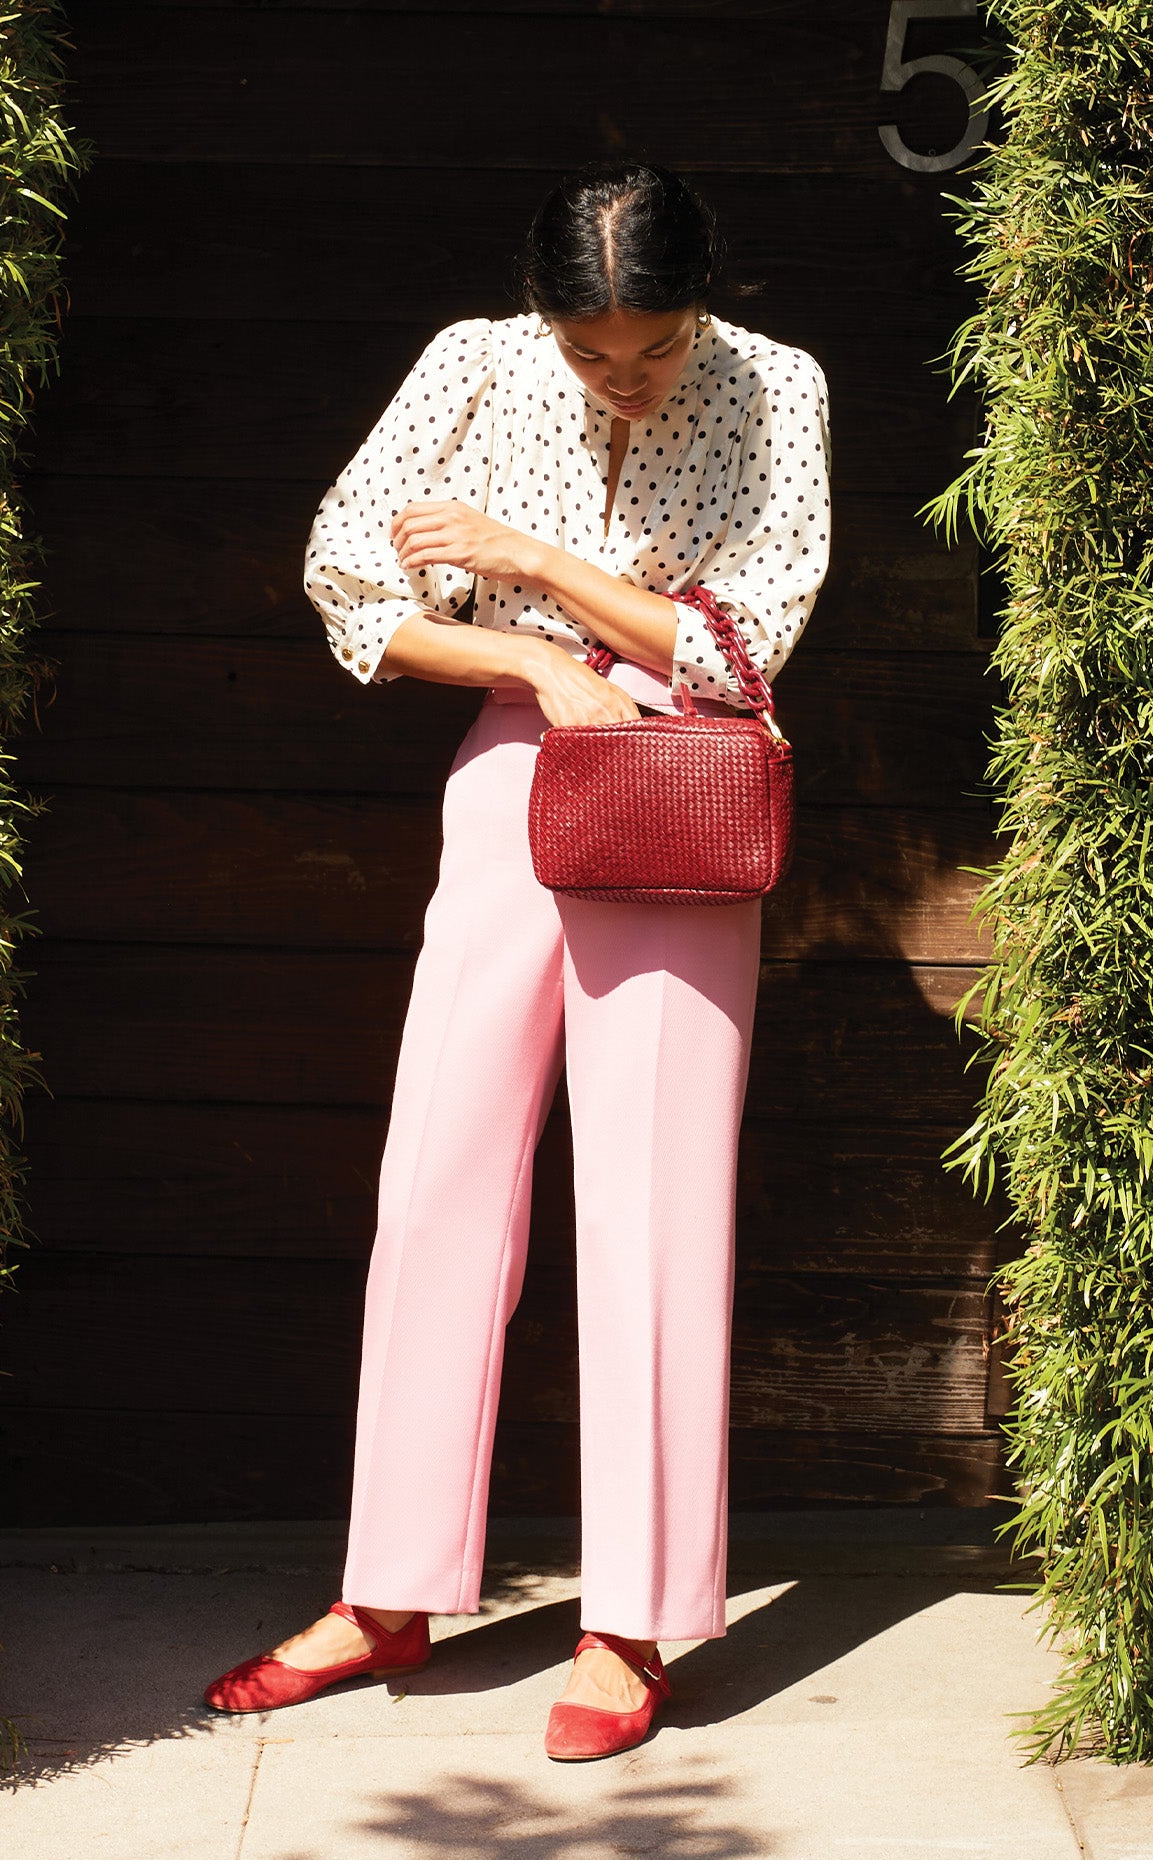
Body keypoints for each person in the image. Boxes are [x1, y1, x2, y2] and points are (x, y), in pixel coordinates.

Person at [203, 161, 831, 1761]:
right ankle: (389, 1589)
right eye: (591, 348)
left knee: (654, 1203)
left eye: (654, 345)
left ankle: (631, 1623)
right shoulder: (472, 360)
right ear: (539, 309)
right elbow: (353, 583)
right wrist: (531, 657)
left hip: (686, 787)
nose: (623, 374)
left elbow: (743, 640)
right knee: (437, 1179)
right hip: (514, 764)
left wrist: (536, 564)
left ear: (709, 299)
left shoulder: (778, 390)